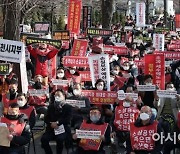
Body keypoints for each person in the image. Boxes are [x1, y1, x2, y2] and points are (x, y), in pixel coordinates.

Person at [41, 89, 72, 154]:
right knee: (44, 139)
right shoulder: (51, 107)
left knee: (59, 139)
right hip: (51, 128)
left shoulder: (68, 107)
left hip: (63, 128)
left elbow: (68, 119)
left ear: (63, 96)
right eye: (56, 95)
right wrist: (51, 123)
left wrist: (57, 123)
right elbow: (46, 118)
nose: (57, 97)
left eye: (59, 95)